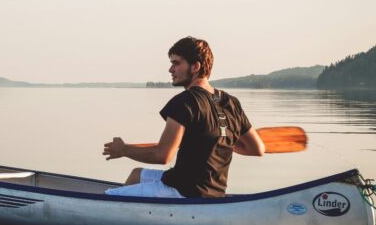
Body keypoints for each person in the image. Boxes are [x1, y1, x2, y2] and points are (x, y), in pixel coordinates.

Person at [103, 37, 264, 198]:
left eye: (176, 63)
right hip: (215, 192)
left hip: (181, 191)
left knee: (108, 197)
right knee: (136, 175)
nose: (171, 69)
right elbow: (257, 149)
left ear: (195, 66)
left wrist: (123, 150)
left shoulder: (185, 102)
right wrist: (217, 142)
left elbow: (162, 155)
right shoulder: (231, 102)